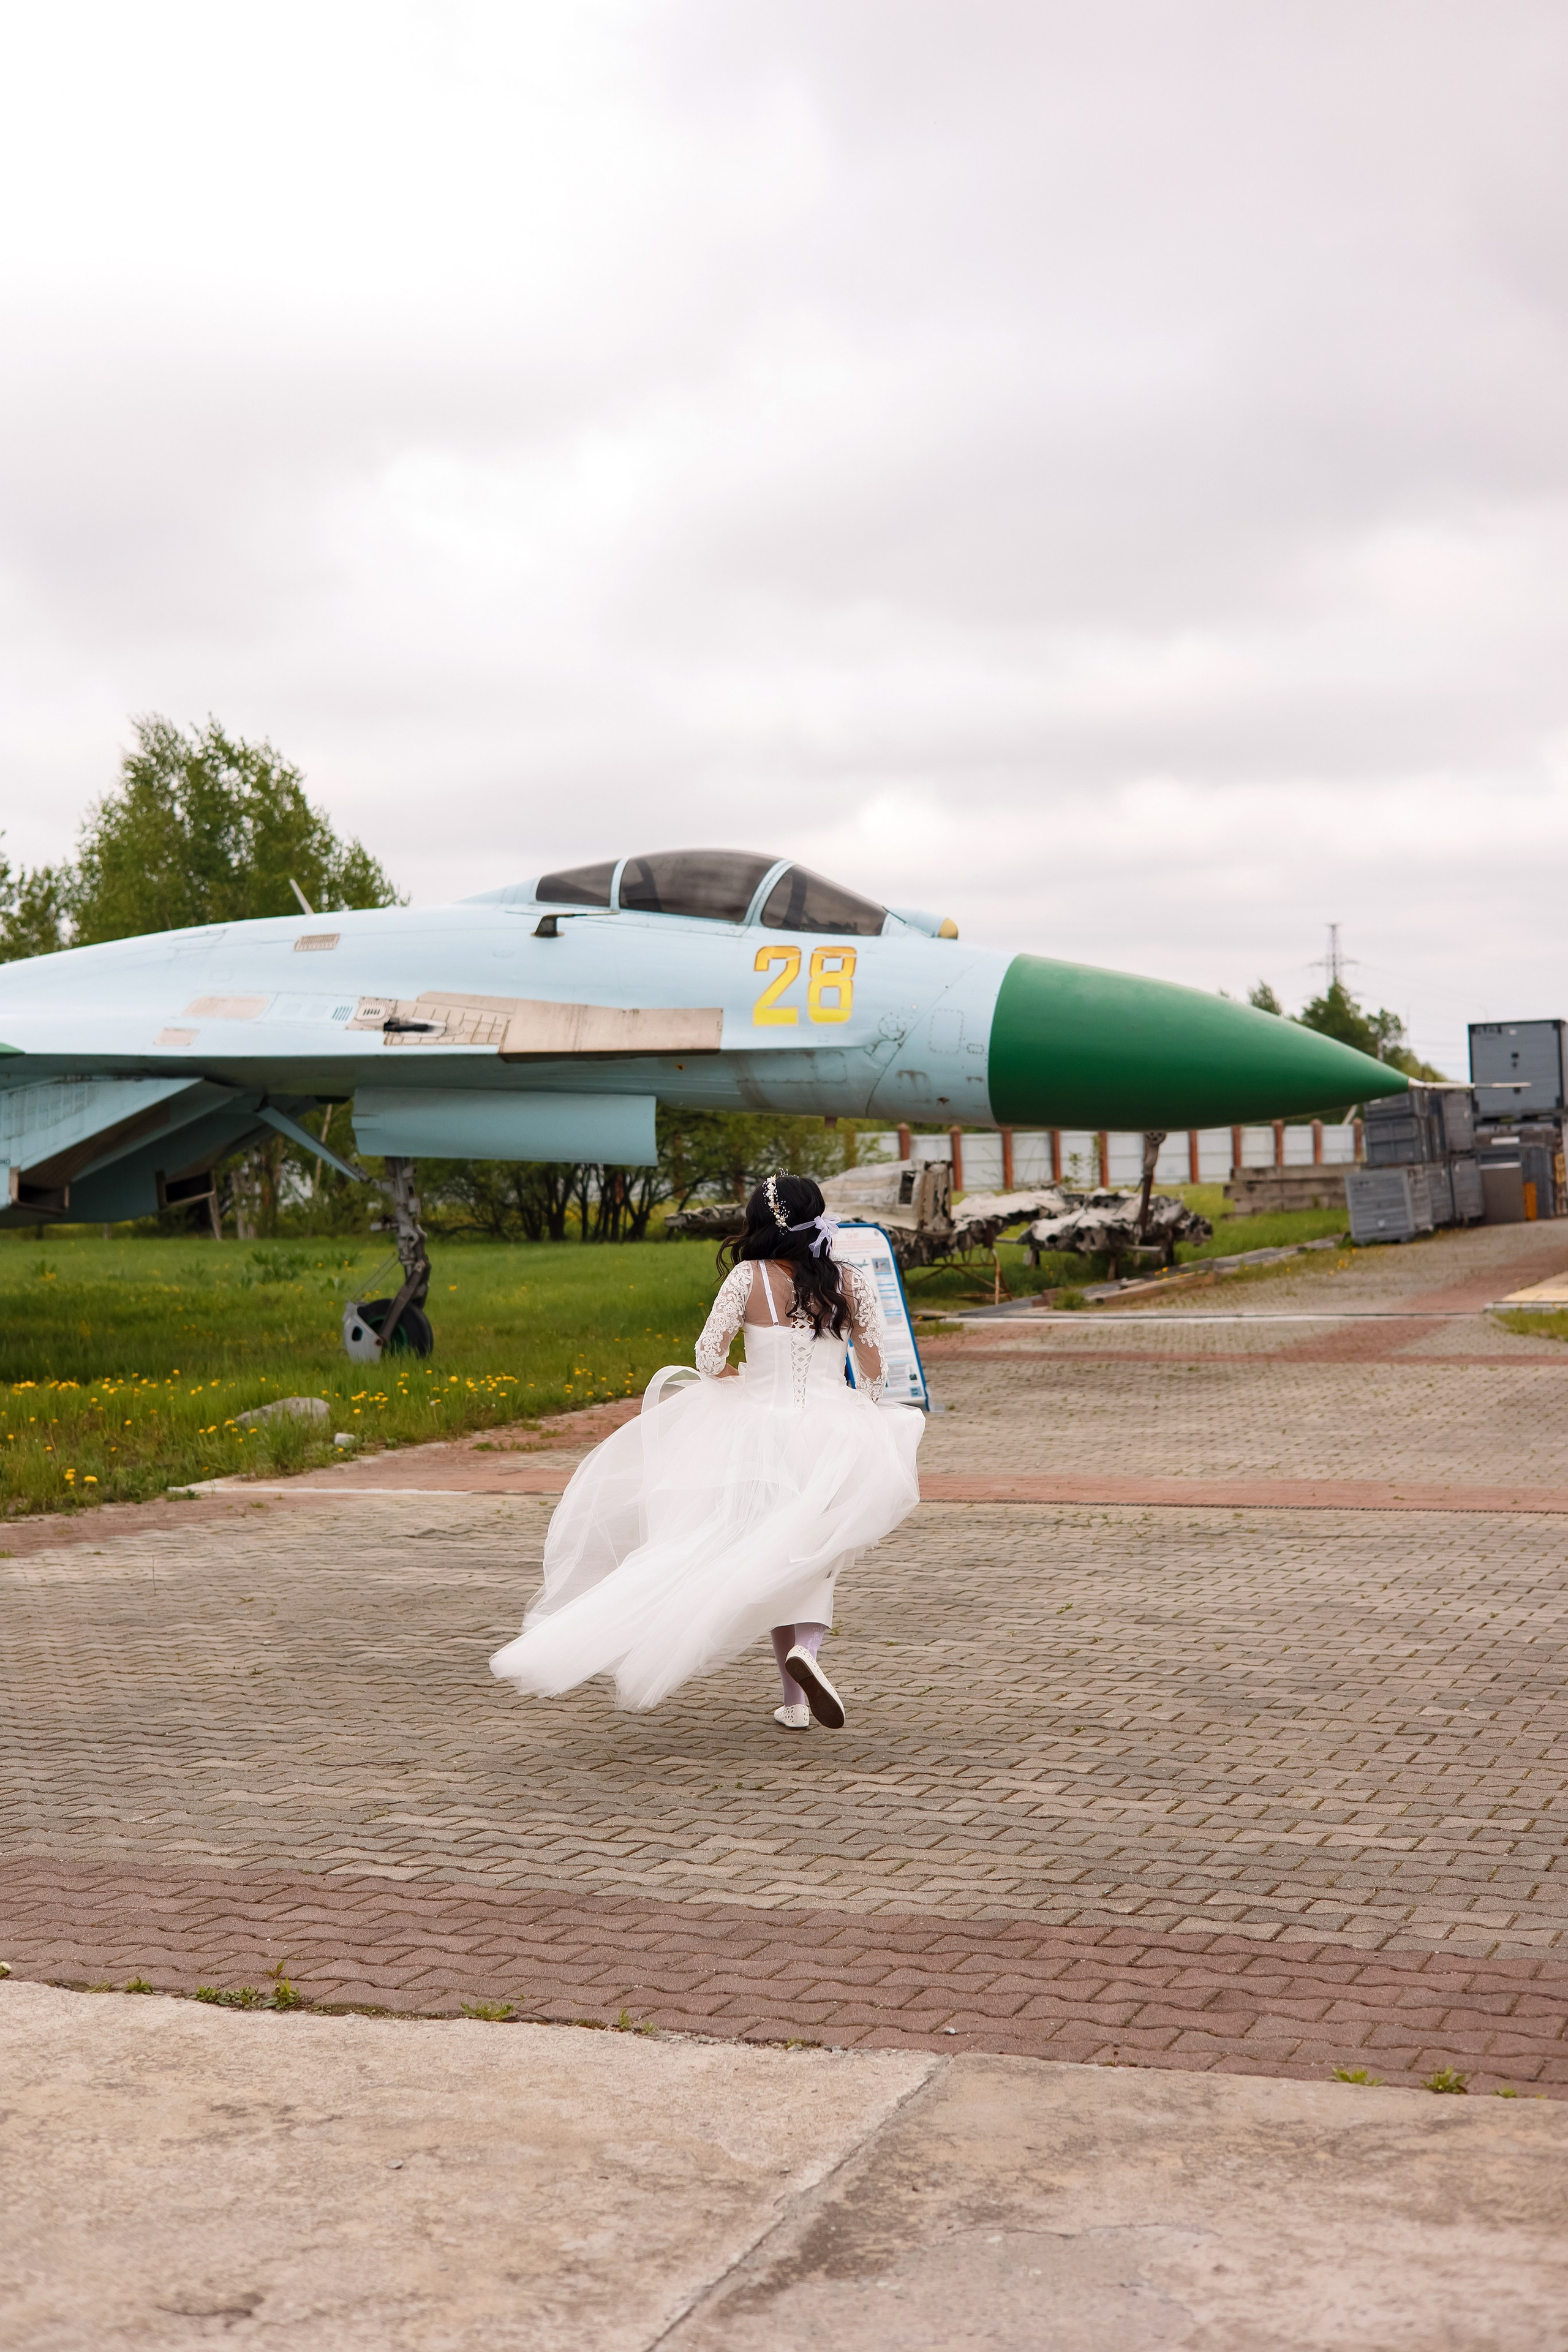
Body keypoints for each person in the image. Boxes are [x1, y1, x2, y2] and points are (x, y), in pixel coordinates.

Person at [489, 1172, 922, 1728]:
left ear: (760, 1222)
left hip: (760, 1432)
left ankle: (793, 1703)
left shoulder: (749, 1277)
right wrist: (861, 1408)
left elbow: (707, 1356)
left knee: (769, 1548)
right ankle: (806, 1657)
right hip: (834, 1429)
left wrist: (741, 1380)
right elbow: (875, 1365)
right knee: (815, 1555)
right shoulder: (850, 1280)